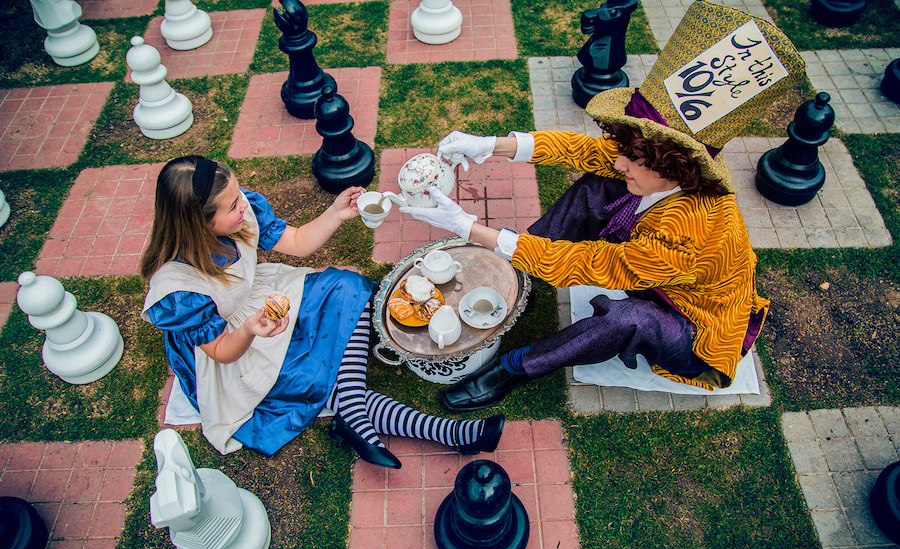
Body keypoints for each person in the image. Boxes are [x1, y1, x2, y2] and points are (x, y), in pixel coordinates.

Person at [399, 1, 805, 412]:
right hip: (653, 273)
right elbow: (586, 149)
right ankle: (521, 275)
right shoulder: (659, 171)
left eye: (633, 157)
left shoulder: (691, 236)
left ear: (677, 166)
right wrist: (492, 145)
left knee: (627, 319)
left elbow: (587, 265)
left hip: (694, 328)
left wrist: (468, 227)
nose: (618, 160)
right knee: (598, 186)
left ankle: (513, 369)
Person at [139, 156, 504, 468]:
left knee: (350, 288)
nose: (243, 206)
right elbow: (219, 351)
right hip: (233, 346)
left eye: (238, 196)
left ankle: (352, 418)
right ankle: (450, 432)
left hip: (262, 297)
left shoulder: (239, 211)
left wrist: (334, 213)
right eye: (233, 206)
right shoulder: (180, 290)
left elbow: (297, 242)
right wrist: (250, 330)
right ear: (200, 222)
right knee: (313, 382)